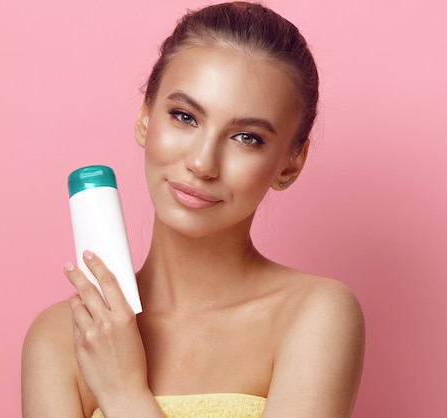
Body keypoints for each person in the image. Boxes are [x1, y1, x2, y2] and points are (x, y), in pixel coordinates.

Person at [21, 2, 365, 417]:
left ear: (290, 162)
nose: (203, 163)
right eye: (184, 116)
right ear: (146, 117)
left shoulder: (315, 316)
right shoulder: (62, 339)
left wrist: (122, 393)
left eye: (247, 137)